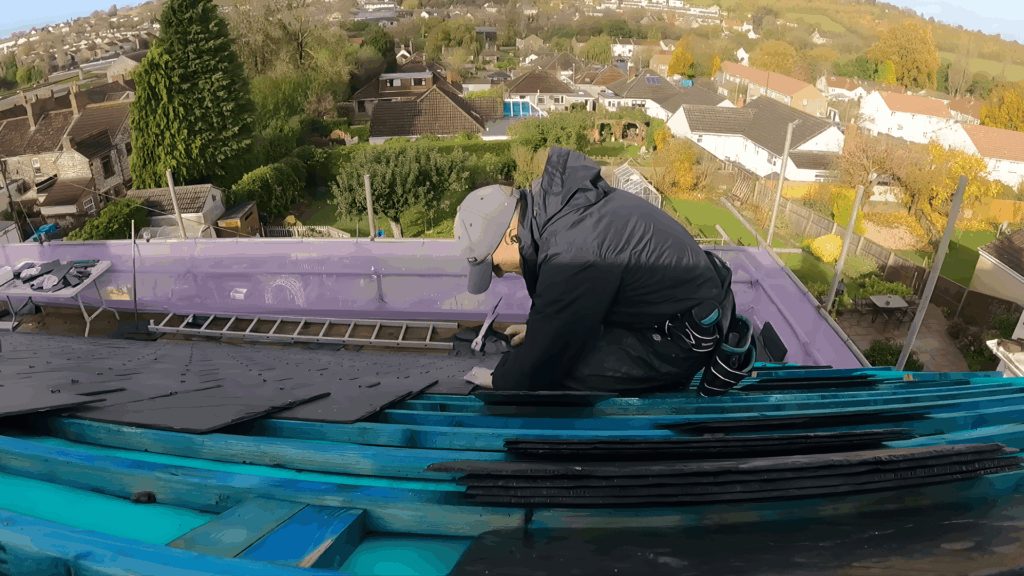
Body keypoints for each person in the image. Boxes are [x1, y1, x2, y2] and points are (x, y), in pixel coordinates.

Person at [454, 147, 755, 396]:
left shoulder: (571, 249)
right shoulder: (560, 211)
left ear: (509, 234)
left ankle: (664, 380)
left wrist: (501, 379)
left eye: (493, 264)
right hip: (666, 312)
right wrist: (541, 331)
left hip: (681, 339)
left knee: (563, 369)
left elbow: (546, 360)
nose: (500, 274)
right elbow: (571, 309)